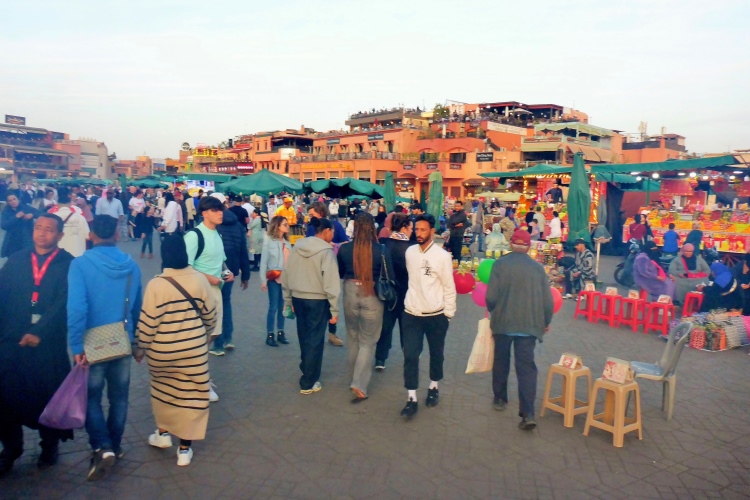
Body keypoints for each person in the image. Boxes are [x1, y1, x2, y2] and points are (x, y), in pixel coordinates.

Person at [67, 215, 143, 481]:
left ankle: (102, 446)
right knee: (119, 398)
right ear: (117, 235)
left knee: (90, 398)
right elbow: (138, 307)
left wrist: (76, 344)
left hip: (92, 343)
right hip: (122, 339)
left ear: (91, 236)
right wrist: (137, 342)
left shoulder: (80, 264)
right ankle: (115, 445)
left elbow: (77, 308)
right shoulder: (131, 265)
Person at [0, 214, 74, 474]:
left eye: (49, 229)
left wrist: (40, 331)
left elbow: (64, 303)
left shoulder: (68, 264)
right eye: (38, 228)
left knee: (47, 397)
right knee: (6, 396)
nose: (42, 233)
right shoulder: (16, 260)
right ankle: (11, 447)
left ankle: (49, 445)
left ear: (60, 235)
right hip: (12, 341)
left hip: (47, 345)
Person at [137, 235, 218, 467]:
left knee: (164, 393)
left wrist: (140, 348)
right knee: (192, 396)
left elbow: (147, 323)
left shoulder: (156, 285)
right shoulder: (199, 280)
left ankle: (162, 434)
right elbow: (210, 315)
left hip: (162, 353)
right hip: (193, 351)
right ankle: (184, 449)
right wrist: (204, 335)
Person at [486, 228, 553, 430]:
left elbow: (490, 297)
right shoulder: (538, 269)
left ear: (510, 244)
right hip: (529, 325)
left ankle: (500, 398)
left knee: (501, 361)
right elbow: (548, 301)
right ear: (529, 246)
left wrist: (494, 311)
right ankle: (528, 413)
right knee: (526, 368)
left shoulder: (499, 264)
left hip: (503, 323)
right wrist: (545, 321)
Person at [400, 214, 457, 418]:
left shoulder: (442, 256)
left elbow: (449, 286)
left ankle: (433, 386)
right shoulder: (410, 252)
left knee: (436, 353)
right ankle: (411, 397)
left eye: (423, 230)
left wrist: (448, 314)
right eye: (417, 229)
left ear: (432, 231)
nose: (419, 233)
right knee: (410, 355)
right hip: (412, 313)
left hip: (436, 315)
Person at [337, 213, 393, 402]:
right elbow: (390, 275)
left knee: (353, 337)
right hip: (372, 294)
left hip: (350, 291)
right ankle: (359, 384)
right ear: (372, 228)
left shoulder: (344, 249)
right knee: (368, 340)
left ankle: (355, 377)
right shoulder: (381, 249)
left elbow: (340, 272)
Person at [281, 217, 340, 395]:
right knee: (315, 340)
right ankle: (309, 380)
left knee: (304, 336)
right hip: (318, 300)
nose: (333, 235)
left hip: (298, 298)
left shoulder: (297, 247)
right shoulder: (326, 252)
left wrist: (288, 300)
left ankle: (306, 368)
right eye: (333, 231)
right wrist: (334, 309)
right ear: (327, 231)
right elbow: (331, 283)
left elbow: (287, 274)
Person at [184, 197, 233, 399]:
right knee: (199, 338)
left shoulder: (217, 234)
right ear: (204, 213)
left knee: (211, 336)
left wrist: (226, 272)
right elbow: (185, 267)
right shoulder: (194, 236)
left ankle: (195, 377)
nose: (220, 213)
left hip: (216, 292)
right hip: (198, 294)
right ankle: (200, 381)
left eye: (220, 209)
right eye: (215, 210)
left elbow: (221, 261)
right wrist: (208, 278)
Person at [375, 213, 415, 371]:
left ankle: (380, 358)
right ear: (404, 228)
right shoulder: (413, 248)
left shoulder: (383, 243)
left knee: (385, 326)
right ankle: (409, 356)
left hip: (387, 292)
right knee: (407, 328)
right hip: (407, 293)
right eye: (410, 228)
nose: (412, 231)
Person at [211, 198, 250, 356]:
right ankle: (228, 338)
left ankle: (218, 344)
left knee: (216, 305)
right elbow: (243, 250)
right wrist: (245, 274)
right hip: (232, 269)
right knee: (225, 302)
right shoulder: (238, 225)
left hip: (215, 269)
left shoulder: (214, 225)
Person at [260, 216, 293, 347]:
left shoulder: (287, 242)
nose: (287, 226)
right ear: (277, 226)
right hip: (274, 278)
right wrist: (263, 280)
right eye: (285, 224)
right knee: (273, 307)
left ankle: (280, 332)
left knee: (283, 307)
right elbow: (264, 262)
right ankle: (270, 334)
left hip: (286, 279)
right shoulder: (269, 241)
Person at [47, 187, 89, 258]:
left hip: (58, 256)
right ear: (70, 203)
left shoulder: (51, 214)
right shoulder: (78, 212)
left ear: (58, 203)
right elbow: (87, 236)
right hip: (77, 254)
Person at [1, 193, 37, 258]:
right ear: (8, 202)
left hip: (26, 240)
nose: (13, 201)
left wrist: (32, 215)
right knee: (12, 260)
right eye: (10, 200)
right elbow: (3, 225)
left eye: (14, 199)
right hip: (12, 241)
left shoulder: (26, 208)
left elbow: (41, 213)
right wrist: (16, 217)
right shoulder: (6, 211)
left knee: (26, 260)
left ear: (18, 199)